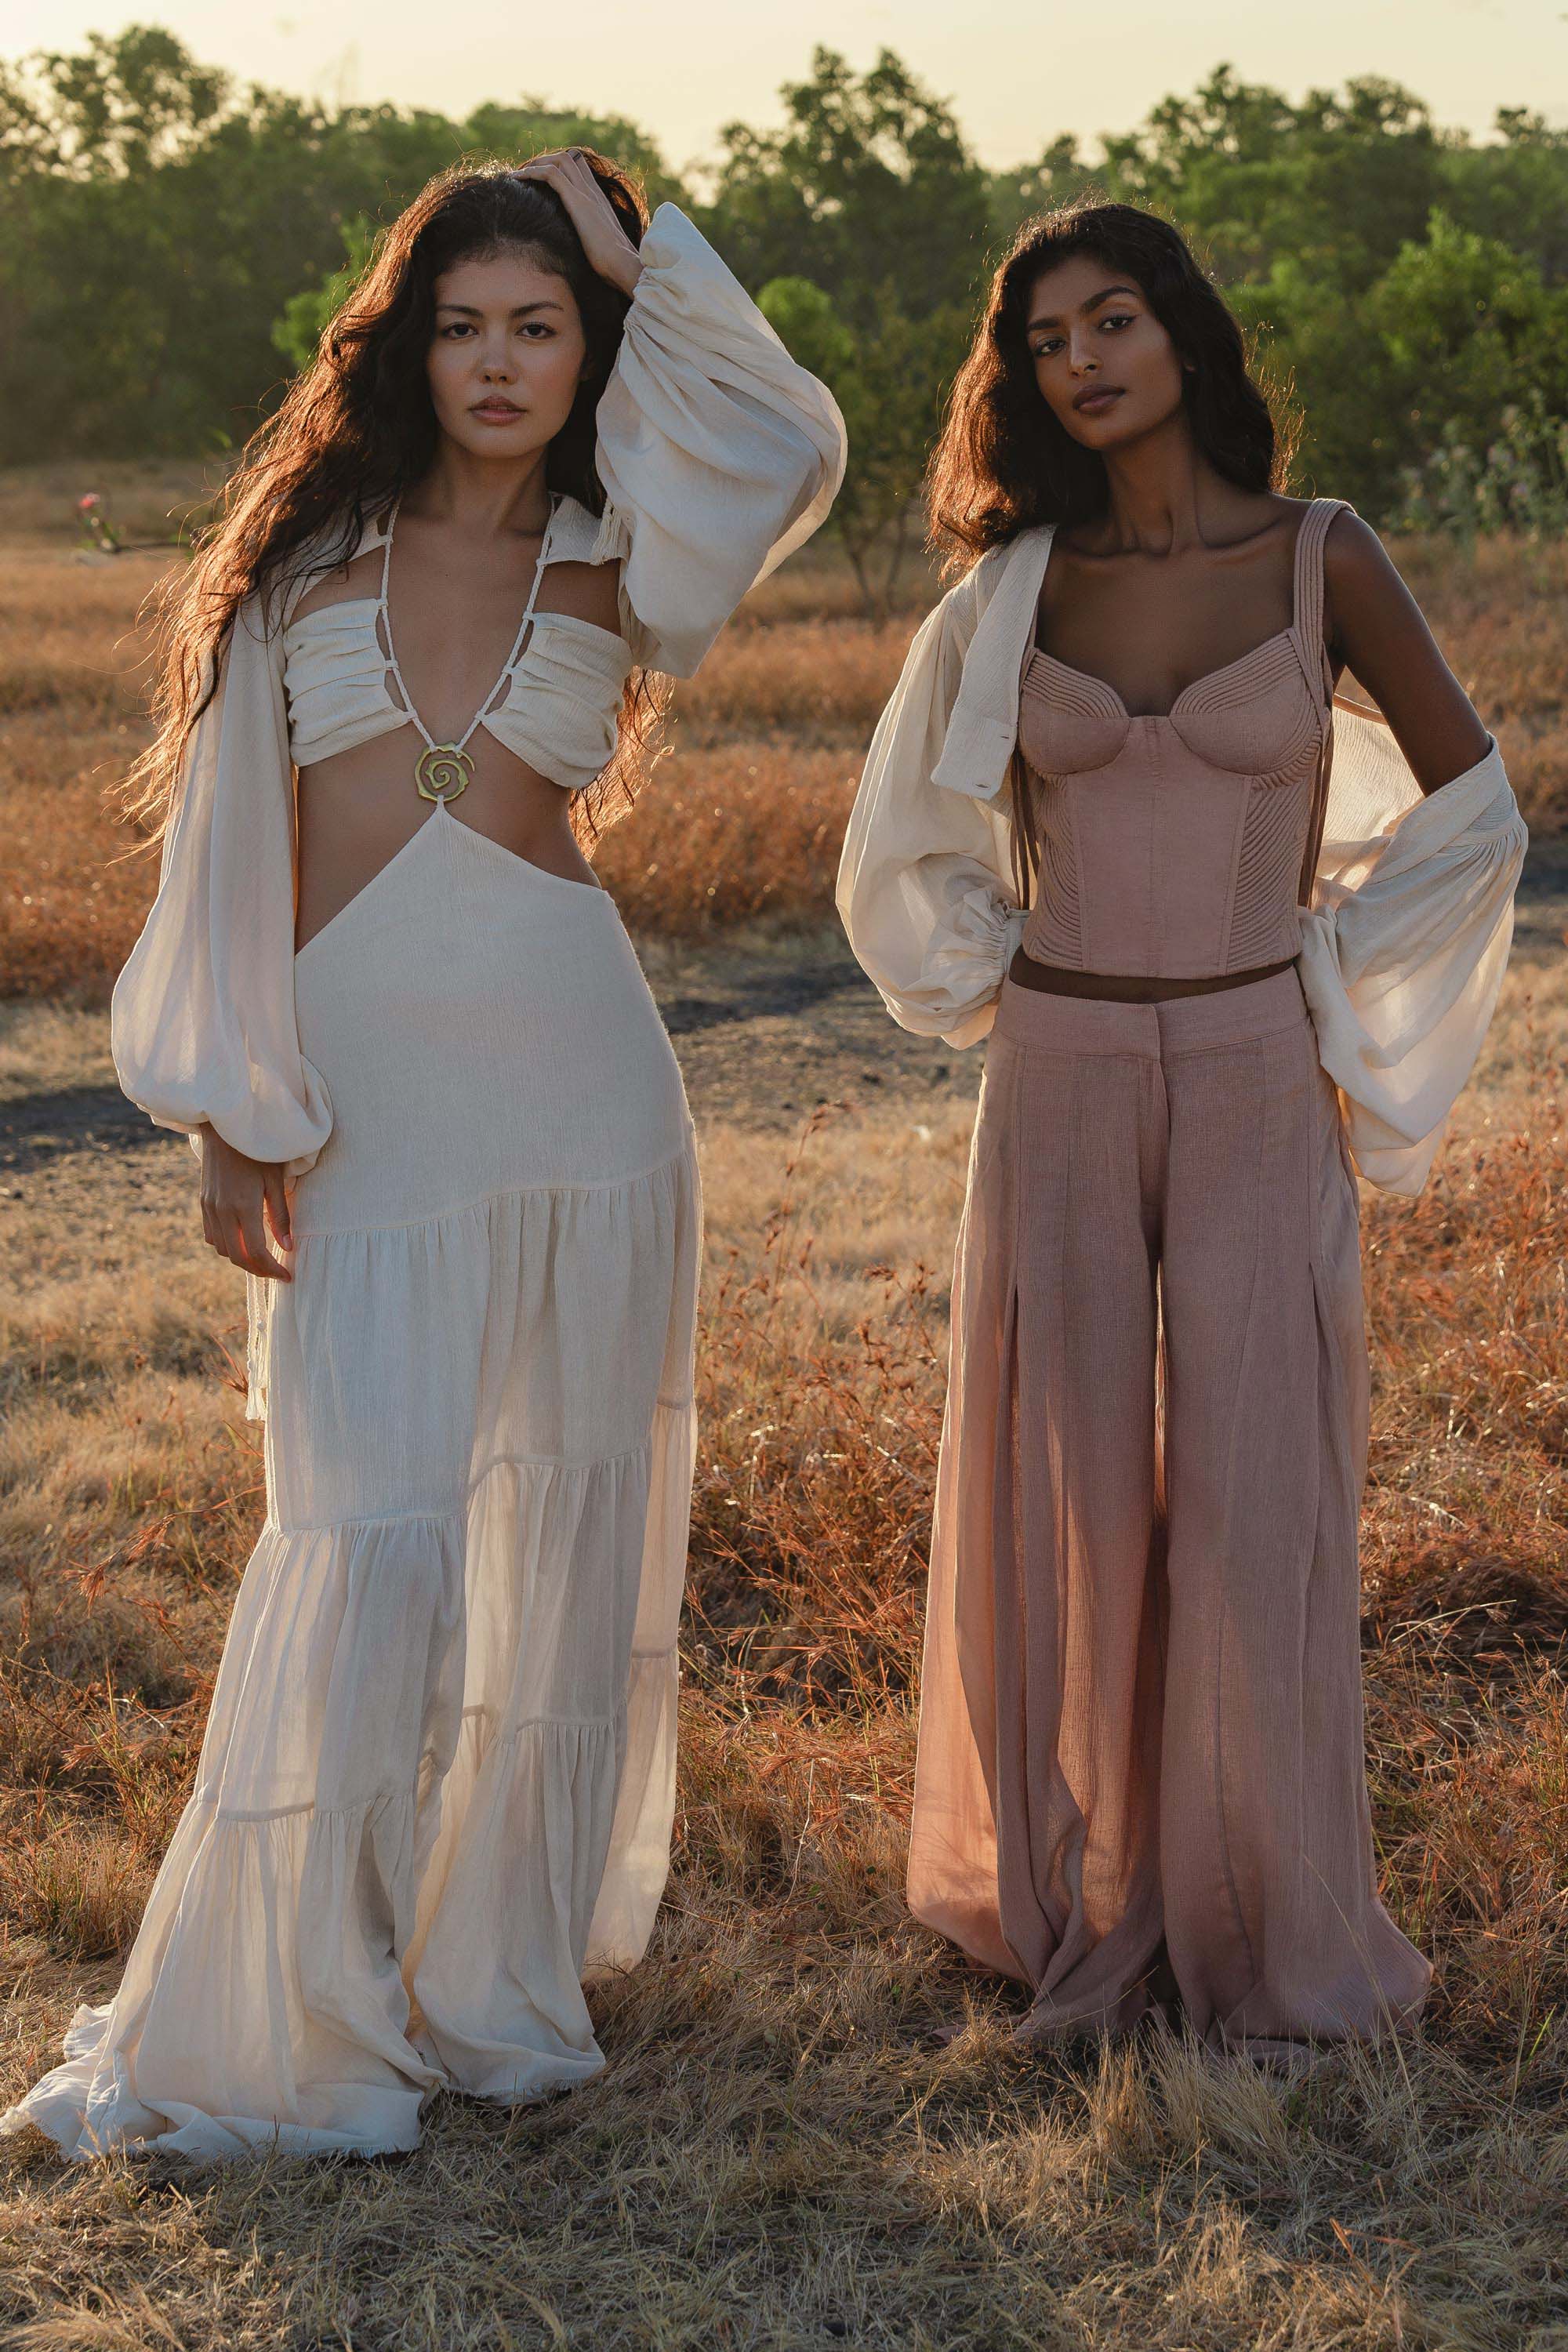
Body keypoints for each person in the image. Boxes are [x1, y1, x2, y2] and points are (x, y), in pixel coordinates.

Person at [5, 150, 844, 2162]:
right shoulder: (303, 569)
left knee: (548, 1549)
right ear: (407, 344)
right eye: (462, 322)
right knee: (361, 1527)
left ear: (588, 353)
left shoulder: (622, 557)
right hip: (368, 1092)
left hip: (581, 1085)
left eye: (539, 326)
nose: (496, 360)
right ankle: (303, 1991)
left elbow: (797, 432)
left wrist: (627, 234)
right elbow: (226, 862)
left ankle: (489, 1980)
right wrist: (233, 1107)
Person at [837, 201, 1524, 2063]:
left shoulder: (1323, 556)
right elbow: (900, 833)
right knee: (1061, 1483)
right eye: (1046, 336)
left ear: (1184, 336)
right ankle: (1078, 1901)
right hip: (1052, 1074)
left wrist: (1324, 980)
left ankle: (1262, 1924)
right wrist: (998, 969)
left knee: (1251, 1497)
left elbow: (1474, 814)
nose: (1080, 357)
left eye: (1111, 317)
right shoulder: (1015, 590)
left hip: (1246, 1078)